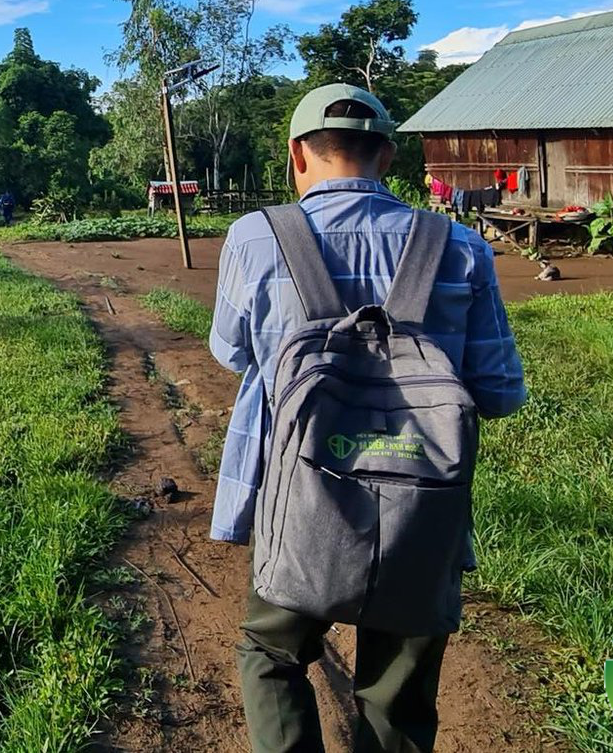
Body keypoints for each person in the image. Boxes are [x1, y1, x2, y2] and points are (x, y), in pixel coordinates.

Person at [208, 84, 527, 753]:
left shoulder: (257, 237)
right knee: (400, 689)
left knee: (272, 648)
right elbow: (497, 391)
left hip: (296, 500)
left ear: (298, 156)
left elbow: (232, 349)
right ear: (386, 155)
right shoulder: (461, 247)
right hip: (421, 511)